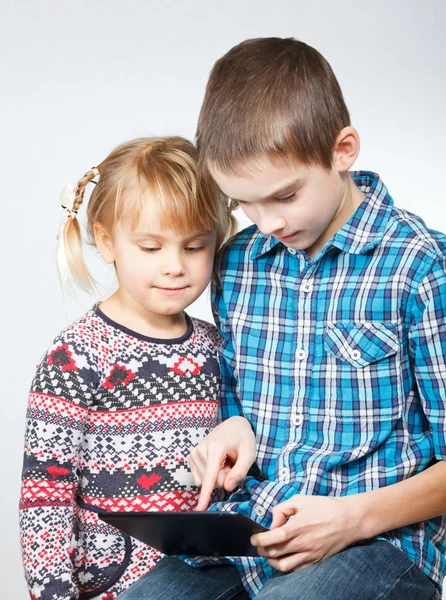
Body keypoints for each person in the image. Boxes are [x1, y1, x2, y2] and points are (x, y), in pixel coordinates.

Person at [117, 38, 446, 600]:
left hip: (375, 544)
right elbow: (241, 395)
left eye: (285, 195)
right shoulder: (238, 265)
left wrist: (355, 518)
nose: (267, 222)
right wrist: (232, 428)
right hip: (251, 537)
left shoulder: (420, 268)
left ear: (342, 150)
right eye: (245, 203)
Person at [19, 136, 236, 600]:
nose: (175, 266)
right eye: (151, 248)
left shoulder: (217, 347)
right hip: (120, 586)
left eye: (195, 247)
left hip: (215, 576)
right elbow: (45, 497)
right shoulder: (77, 355)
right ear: (106, 241)